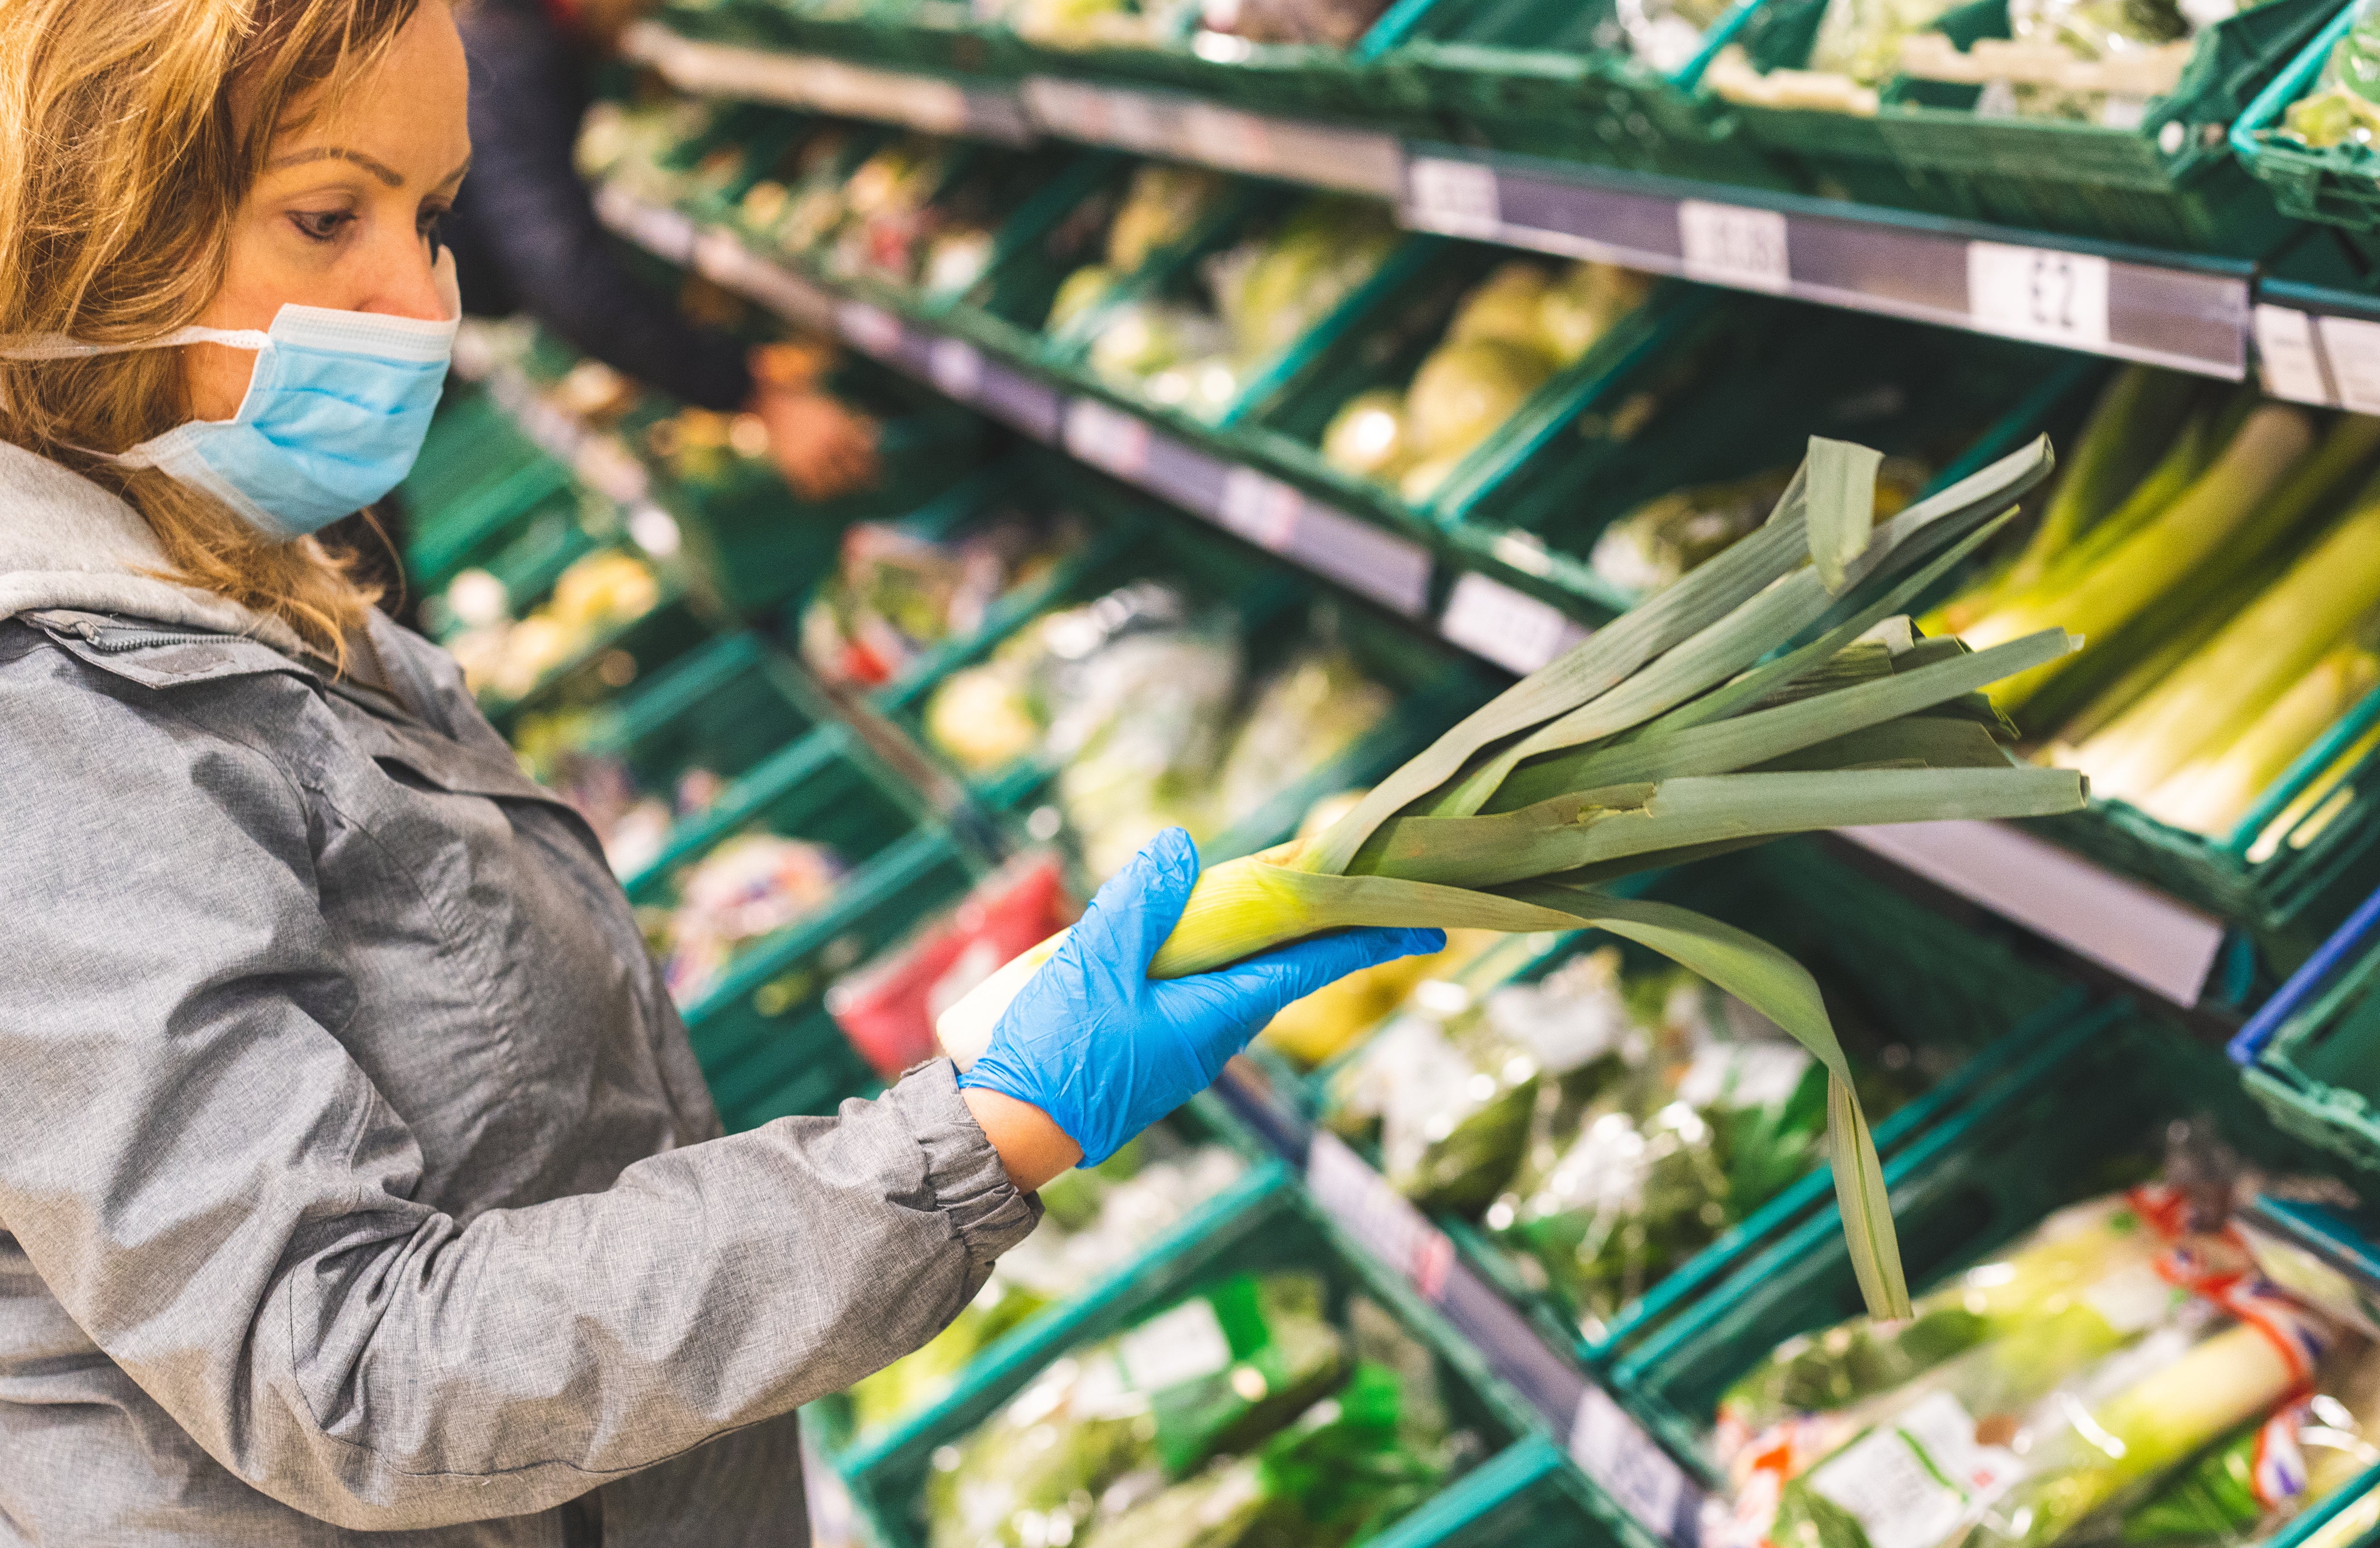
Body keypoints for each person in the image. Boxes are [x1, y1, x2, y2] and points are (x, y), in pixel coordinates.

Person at [0, 3, 1440, 1543]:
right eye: (329, 215)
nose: (416, 296)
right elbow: (343, 1363)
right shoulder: (48, 719)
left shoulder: (224, 564)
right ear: (91, 222)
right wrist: (972, 1135)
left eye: (430, 216)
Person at [446, 0, 880, 501]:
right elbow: (566, 278)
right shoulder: (508, 58)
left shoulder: (502, 40)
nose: (644, 15)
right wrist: (753, 394)